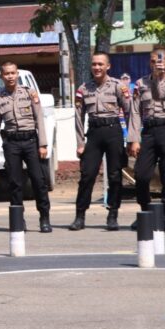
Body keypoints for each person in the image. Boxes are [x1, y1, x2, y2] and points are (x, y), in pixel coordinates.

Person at [72, 52, 128, 231]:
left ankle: (113, 215)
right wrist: (80, 142)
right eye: (94, 64)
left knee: (114, 176)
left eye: (100, 64)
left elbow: (130, 112)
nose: (97, 67)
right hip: (94, 133)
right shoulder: (83, 88)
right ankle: (80, 216)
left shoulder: (118, 86)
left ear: (108, 66)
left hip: (113, 132)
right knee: (87, 175)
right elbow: (78, 117)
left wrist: (133, 138)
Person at [0, 61, 52, 232]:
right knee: (14, 183)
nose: (10, 76)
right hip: (11, 143)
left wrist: (42, 144)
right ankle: (18, 220)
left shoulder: (29, 93)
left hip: (31, 141)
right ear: (1, 76)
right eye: (6, 74)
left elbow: (39, 119)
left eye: (13, 73)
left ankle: (44, 218)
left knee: (38, 180)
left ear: (17, 74)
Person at [127, 49, 165, 232]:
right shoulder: (141, 83)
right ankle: (145, 212)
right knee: (141, 174)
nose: (156, 64)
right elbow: (134, 112)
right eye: (152, 61)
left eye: (160, 60)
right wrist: (133, 139)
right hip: (148, 131)